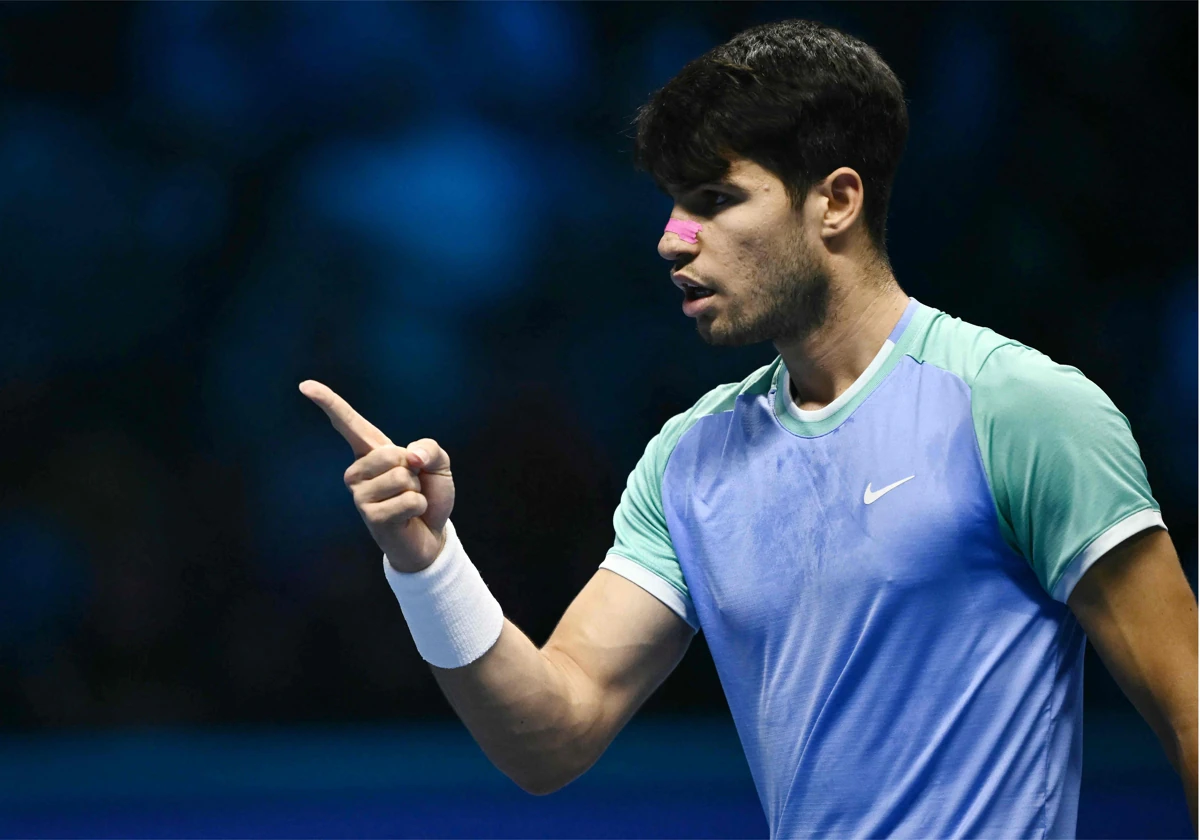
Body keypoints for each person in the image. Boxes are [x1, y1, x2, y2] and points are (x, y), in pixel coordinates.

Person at [300, 19, 1197, 838]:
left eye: (715, 200)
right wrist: (427, 563)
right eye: (671, 202)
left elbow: (1189, 707)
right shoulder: (688, 461)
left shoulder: (1022, 408)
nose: (672, 238)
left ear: (836, 202)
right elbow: (551, 736)